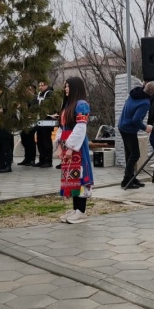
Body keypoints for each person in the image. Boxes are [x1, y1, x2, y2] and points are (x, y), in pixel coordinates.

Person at [57, 77, 94, 224]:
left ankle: (81, 211)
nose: (65, 89)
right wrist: (60, 146)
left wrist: (71, 148)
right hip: (67, 144)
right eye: (65, 86)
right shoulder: (66, 106)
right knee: (71, 178)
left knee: (79, 176)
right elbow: (61, 128)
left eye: (68, 87)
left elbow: (80, 127)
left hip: (77, 146)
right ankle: (75, 209)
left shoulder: (81, 105)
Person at [118, 81, 154, 188]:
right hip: (129, 128)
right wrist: (146, 128)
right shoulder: (145, 102)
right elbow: (136, 120)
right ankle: (126, 180)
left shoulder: (134, 93)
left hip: (122, 125)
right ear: (153, 93)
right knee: (135, 154)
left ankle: (131, 178)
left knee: (129, 154)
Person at [33, 81, 56, 168]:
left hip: (47, 121)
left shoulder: (50, 94)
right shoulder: (39, 94)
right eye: (39, 85)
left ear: (47, 85)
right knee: (40, 141)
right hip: (39, 121)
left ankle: (48, 160)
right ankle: (42, 159)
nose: (40, 87)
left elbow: (52, 106)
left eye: (42, 85)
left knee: (46, 141)